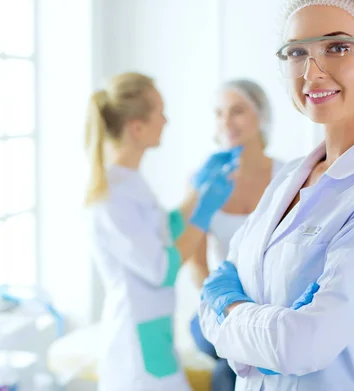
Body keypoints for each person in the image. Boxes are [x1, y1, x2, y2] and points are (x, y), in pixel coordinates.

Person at [197, 1, 354, 390]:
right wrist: (265, 327)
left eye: (338, 47)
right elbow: (209, 307)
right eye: (297, 52)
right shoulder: (288, 178)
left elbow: (299, 347)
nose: (311, 72)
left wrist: (226, 306)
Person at [84, 72, 238, 391]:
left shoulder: (129, 181)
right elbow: (162, 268)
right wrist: (205, 211)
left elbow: (163, 229)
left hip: (153, 331)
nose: (167, 121)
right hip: (135, 346)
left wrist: (198, 191)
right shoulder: (111, 195)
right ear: (136, 128)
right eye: (160, 112)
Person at [187, 79, 284, 391]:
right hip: (219, 304)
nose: (226, 122)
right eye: (219, 113)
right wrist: (227, 308)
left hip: (272, 303)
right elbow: (197, 265)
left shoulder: (288, 177)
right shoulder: (203, 181)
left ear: (261, 115)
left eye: (237, 111)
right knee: (231, 356)